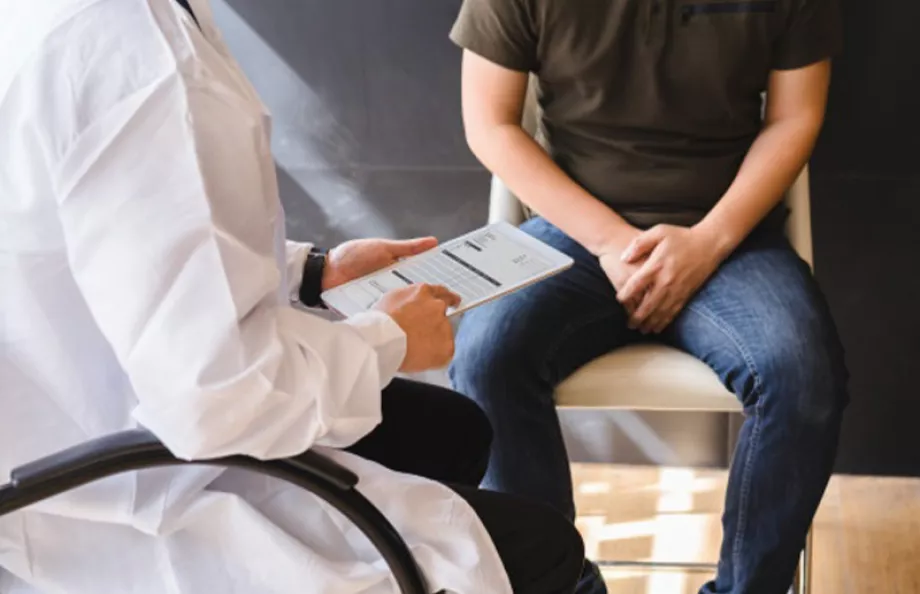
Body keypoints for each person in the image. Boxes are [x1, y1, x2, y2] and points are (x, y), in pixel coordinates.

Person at [0, 0, 586, 592]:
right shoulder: (144, 63)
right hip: (119, 499)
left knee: (452, 430)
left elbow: (127, 249)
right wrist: (388, 341)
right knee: (548, 552)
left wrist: (315, 272)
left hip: (62, 442)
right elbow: (216, 399)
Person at [448, 0, 848, 592]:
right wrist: (610, 241)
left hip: (726, 235)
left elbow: (794, 118)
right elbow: (491, 124)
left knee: (804, 375)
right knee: (487, 357)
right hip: (576, 233)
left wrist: (707, 243)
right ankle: (555, 584)